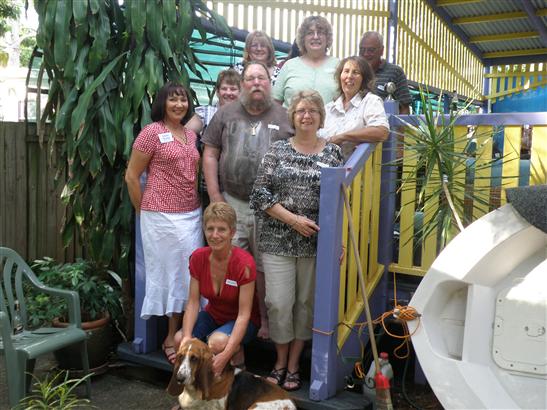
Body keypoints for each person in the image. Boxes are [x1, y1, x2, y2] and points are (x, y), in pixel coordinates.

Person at [250, 90, 343, 391]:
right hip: (277, 240)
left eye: (313, 110)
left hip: (315, 243)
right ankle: (278, 360)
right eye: (301, 110)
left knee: (305, 304)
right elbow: (259, 194)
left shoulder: (333, 153)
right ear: (293, 116)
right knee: (278, 303)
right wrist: (293, 220)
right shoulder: (277, 150)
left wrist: (338, 239)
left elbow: (343, 200)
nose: (307, 115)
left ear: (321, 117)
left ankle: (292, 365)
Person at [202, 61, 293, 340]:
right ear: (243, 84)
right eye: (250, 78)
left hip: (271, 208)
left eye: (261, 78)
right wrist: (216, 197)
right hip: (233, 202)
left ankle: (264, 321)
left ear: (270, 83)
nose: (256, 83)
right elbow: (209, 154)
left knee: (265, 267)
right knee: (228, 261)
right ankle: (223, 320)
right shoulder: (225, 114)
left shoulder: (285, 116)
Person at [125, 82, 203, 365]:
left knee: (187, 275)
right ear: (162, 103)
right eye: (173, 100)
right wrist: (142, 211)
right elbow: (132, 177)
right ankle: (170, 336)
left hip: (191, 214)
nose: (179, 105)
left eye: (183, 100)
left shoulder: (189, 135)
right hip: (161, 217)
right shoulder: (152, 133)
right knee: (171, 276)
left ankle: (183, 331)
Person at [174, 202, 260, 374]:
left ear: (232, 232)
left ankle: (234, 354)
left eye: (221, 229)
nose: (215, 235)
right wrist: (186, 338)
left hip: (244, 321)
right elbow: (192, 302)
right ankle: (195, 390)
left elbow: (244, 315)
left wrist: (225, 354)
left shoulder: (244, 263)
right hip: (213, 315)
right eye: (210, 229)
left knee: (217, 343)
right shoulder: (198, 258)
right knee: (179, 339)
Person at [319, 56, 389, 160]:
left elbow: (382, 132)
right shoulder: (329, 108)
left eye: (356, 72)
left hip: (354, 171)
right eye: (346, 71)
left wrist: (343, 137)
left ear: (364, 79)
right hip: (322, 165)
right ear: (340, 76)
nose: (349, 76)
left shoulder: (370, 101)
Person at [273, 15, 338, 108]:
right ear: (303, 38)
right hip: (290, 122)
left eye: (320, 33)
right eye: (310, 33)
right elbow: (275, 102)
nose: (315, 37)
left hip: (329, 122)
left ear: (327, 38)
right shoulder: (289, 66)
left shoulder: (338, 65)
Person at [358, 31, 412, 114]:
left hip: (385, 125)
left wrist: (400, 126)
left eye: (371, 50)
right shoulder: (354, 72)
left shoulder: (395, 72)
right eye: (362, 49)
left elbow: (404, 108)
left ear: (382, 50)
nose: (365, 54)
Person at [186, 68, 241, 134]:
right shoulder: (205, 112)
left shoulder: (247, 115)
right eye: (224, 88)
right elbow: (184, 135)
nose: (228, 93)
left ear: (240, 92)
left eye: (233, 89)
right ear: (217, 92)